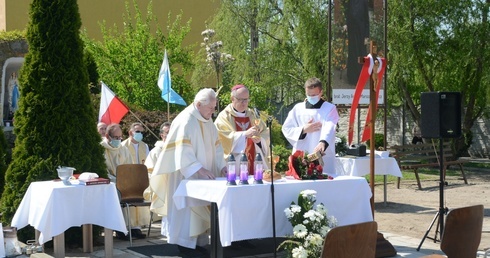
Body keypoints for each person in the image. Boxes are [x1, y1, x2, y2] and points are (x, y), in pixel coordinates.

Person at [150, 88, 227, 252]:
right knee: (187, 212)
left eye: (214, 108)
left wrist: (222, 166)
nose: (213, 112)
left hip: (204, 175)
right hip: (185, 176)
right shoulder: (186, 120)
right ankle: (184, 245)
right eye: (211, 108)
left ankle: (199, 244)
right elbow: (183, 152)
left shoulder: (207, 120)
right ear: (199, 104)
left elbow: (217, 148)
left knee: (200, 209)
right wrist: (198, 169)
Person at [282, 78, 339, 177]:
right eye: (309, 95)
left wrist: (323, 142)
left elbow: (329, 127)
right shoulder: (298, 108)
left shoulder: (329, 108)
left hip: (323, 155)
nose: (311, 97)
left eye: (314, 95)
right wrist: (303, 130)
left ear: (321, 92)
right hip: (302, 155)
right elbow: (286, 128)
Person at [100, 123, 147, 240]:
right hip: (110, 183)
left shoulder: (123, 148)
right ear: (107, 136)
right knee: (117, 191)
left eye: (120, 137)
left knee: (135, 189)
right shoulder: (101, 149)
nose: (119, 140)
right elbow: (102, 170)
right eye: (116, 138)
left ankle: (134, 227)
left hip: (124, 181)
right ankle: (121, 229)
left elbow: (129, 167)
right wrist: (117, 180)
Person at [215, 84, 270, 175]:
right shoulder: (224, 117)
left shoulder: (252, 115)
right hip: (234, 164)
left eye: (246, 99)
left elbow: (265, 133)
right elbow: (222, 139)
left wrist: (260, 141)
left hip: (254, 160)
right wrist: (244, 134)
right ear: (232, 98)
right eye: (240, 100)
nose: (244, 103)